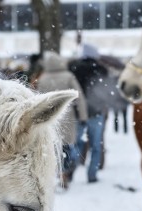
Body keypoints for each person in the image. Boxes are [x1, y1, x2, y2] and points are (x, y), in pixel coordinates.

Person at [36, 51, 88, 189]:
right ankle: (65, 172)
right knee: (67, 147)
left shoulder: (43, 78)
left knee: (53, 147)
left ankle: (56, 172)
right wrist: (83, 116)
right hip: (67, 117)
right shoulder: (68, 76)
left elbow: (38, 99)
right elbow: (79, 96)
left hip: (50, 118)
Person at [68, 43, 109, 183]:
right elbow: (106, 91)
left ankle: (71, 168)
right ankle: (92, 174)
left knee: (75, 143)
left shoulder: (73, 68)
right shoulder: (101, 69)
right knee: (96, 146)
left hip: (79, 112)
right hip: (97, 112)